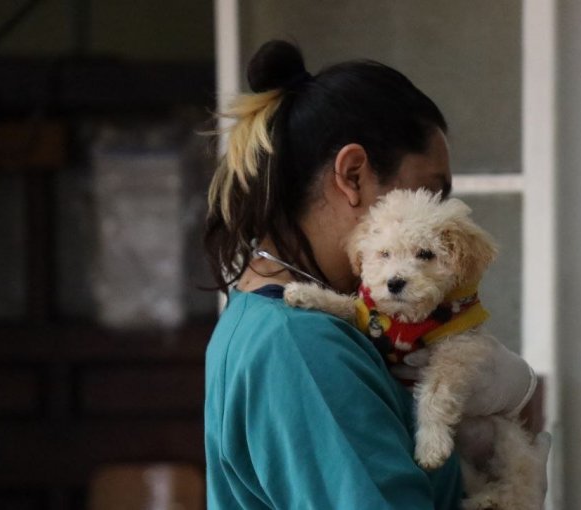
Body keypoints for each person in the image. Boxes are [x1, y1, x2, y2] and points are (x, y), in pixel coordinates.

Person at [203, 40, 543, 509]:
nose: (442, 218)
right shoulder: (300, 345)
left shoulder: (277, 321)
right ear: (354, 175)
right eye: (429, 191)